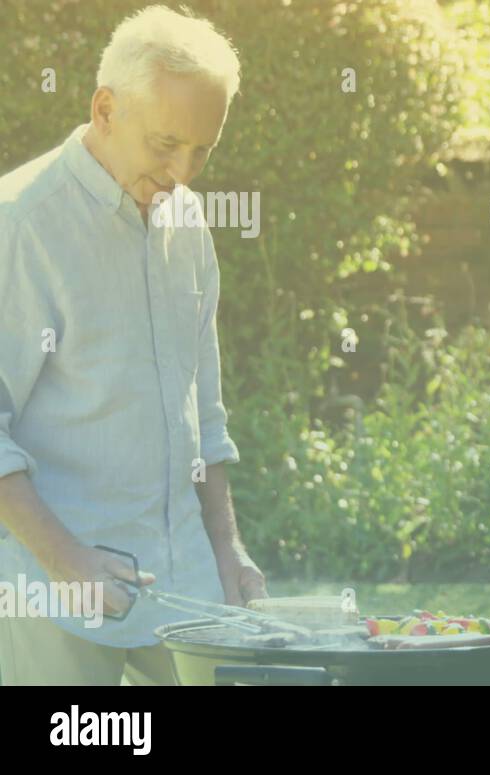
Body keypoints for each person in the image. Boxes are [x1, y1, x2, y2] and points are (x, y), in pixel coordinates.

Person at [0, 6, 264, 685]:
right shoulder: (21, 224)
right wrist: (68, 562)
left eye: (202, 150)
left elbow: (203, 407)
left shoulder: (188, 219)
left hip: (186, 588)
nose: (183, 172)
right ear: (106, 107)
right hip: (54, 595)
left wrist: (227, 548)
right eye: (166, 144)